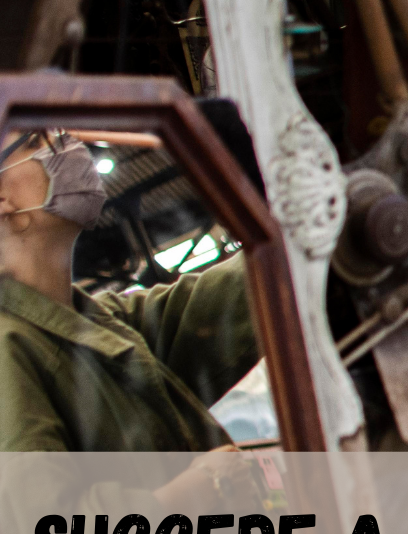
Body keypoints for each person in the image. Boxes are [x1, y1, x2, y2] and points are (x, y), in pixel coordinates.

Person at [0, 130, 259, 452]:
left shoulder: (101, 321)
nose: (68, 144)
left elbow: (227, 302)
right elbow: (39, 502)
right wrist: (197, 490)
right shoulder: (9, 348)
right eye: (37, 138)